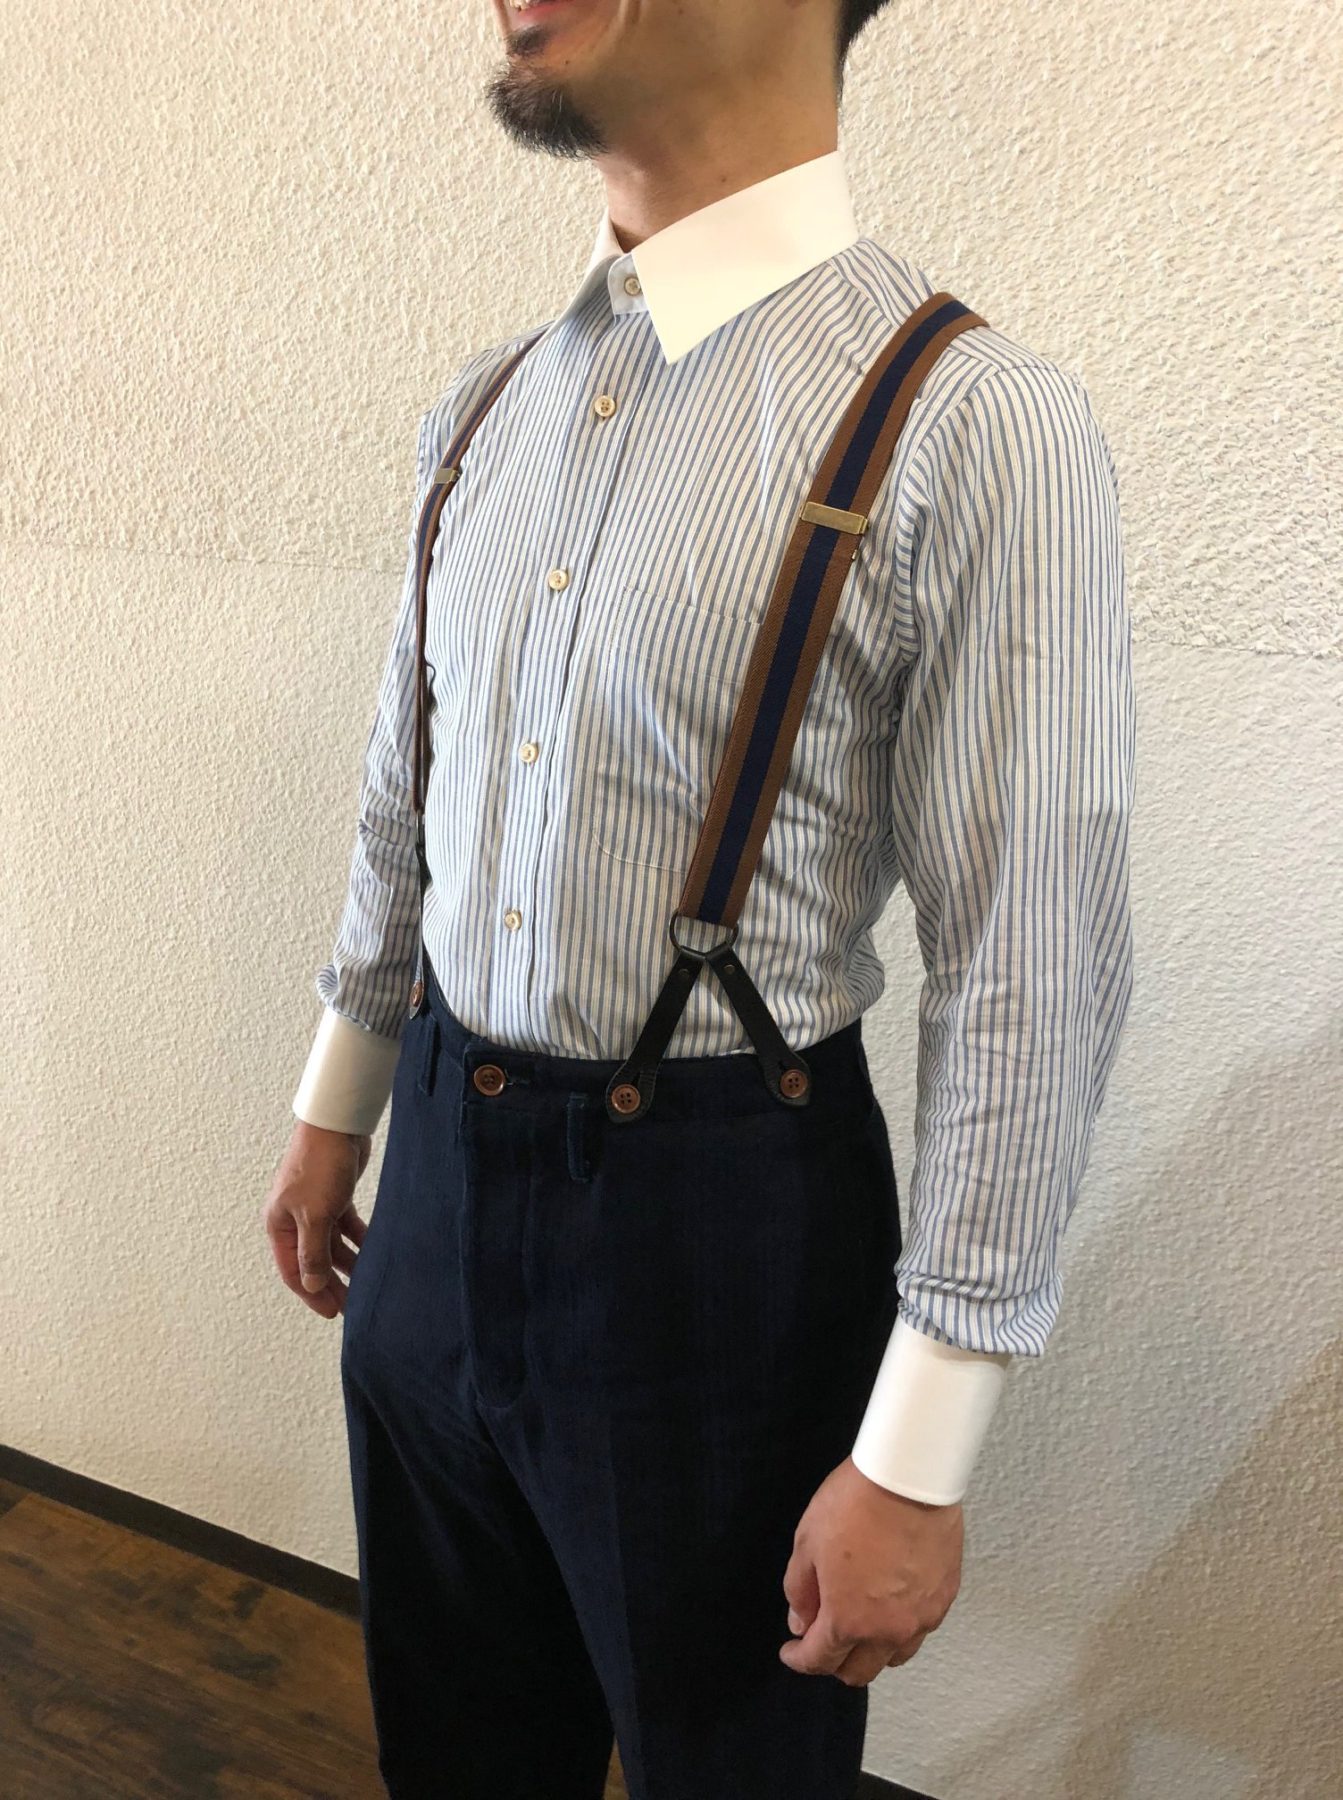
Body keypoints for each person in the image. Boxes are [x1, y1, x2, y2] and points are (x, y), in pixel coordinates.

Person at [261, 2, 1135, 1795]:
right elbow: (405, 798)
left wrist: (921, 1454)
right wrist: (336, 1106)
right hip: (428, 1195)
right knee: (456, 1748)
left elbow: (1031, 968)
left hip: (721, 1252)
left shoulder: (973, 422)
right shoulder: (484, 410)